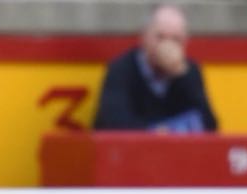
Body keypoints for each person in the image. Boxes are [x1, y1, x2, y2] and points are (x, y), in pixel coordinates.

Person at [94, 4, 219, 133]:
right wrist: (156, 133)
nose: (167, 46)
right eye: (160, 37)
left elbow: (209, 126)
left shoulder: (190, 72)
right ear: (144, 36)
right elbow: (113, 123)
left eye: (176, 39)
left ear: (186, 42)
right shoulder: (121, 70)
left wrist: (182, 76)